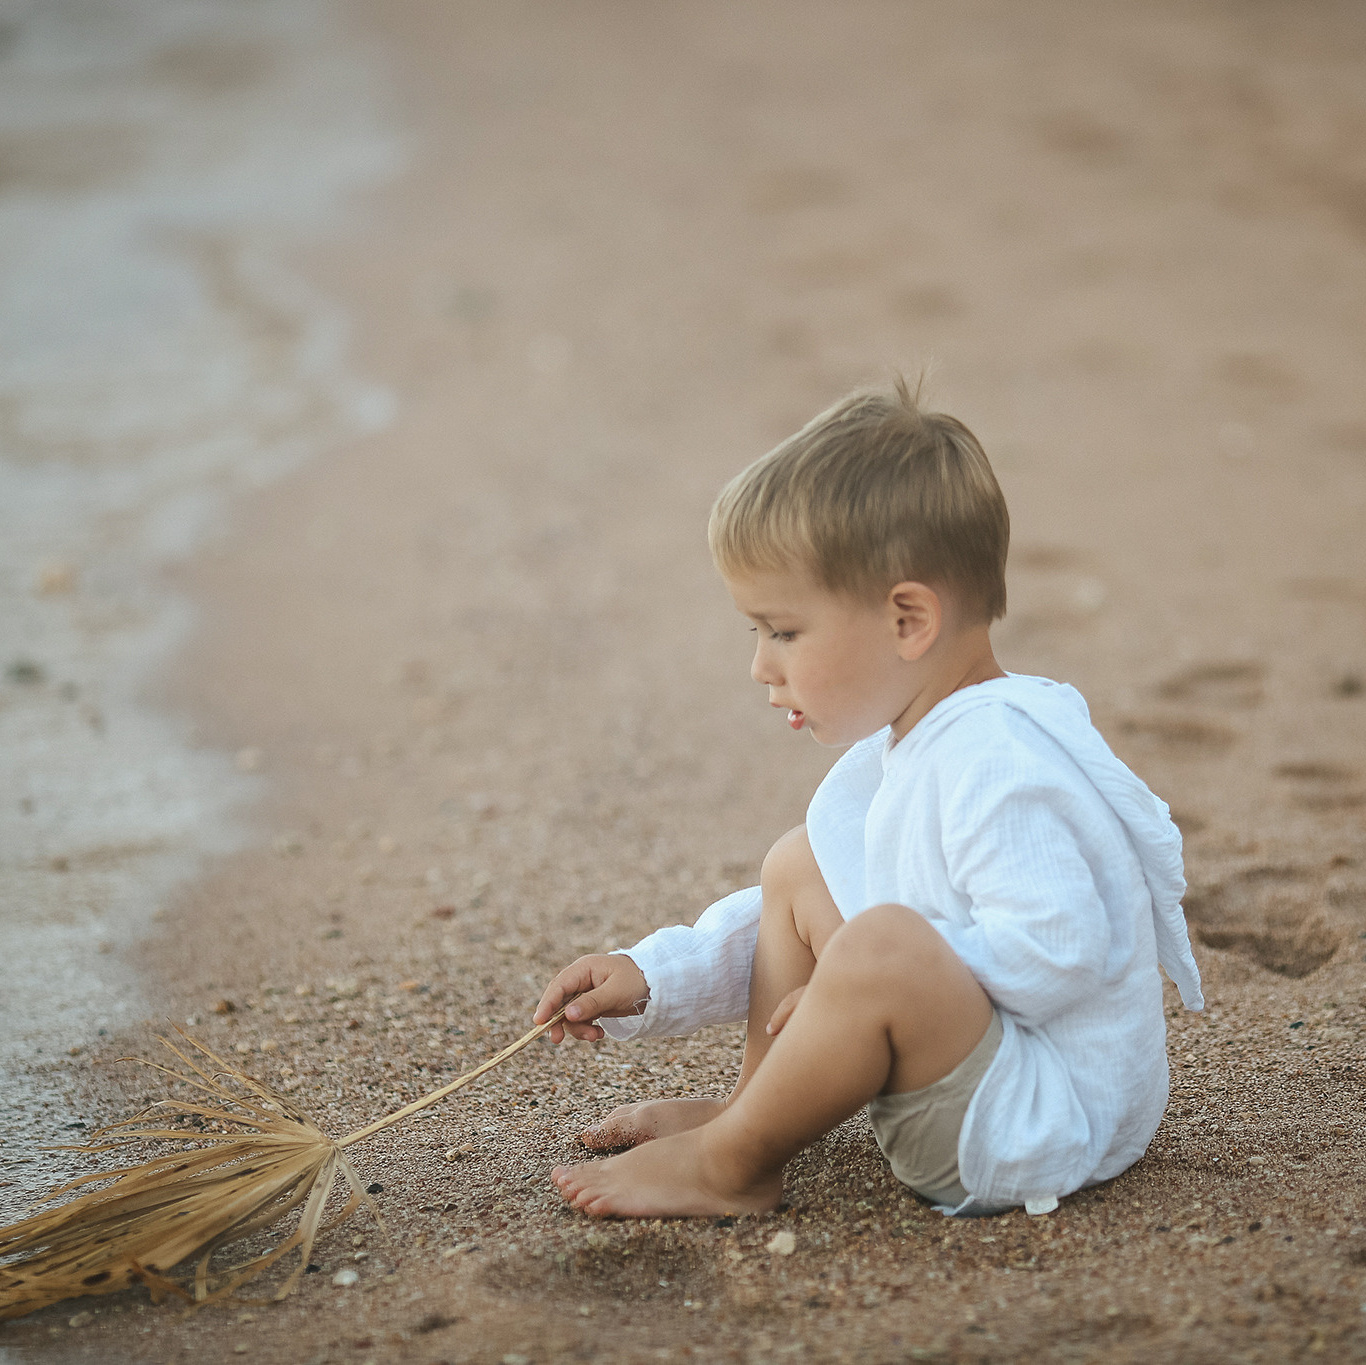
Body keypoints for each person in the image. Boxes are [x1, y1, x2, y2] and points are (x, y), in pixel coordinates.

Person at [532, 379, 1204, 1219]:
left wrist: (856, 980)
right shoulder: (919, 736)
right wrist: (653, 977)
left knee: (882, 942)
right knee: (800, 862)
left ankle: (731, 1163)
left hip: (1034, 1122)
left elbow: (1058, 947)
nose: (761, 666)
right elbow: (839, 895)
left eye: (784, 631)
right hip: (979, 1065)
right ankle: (755, 1111)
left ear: (908, 620)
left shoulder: (998, 763)